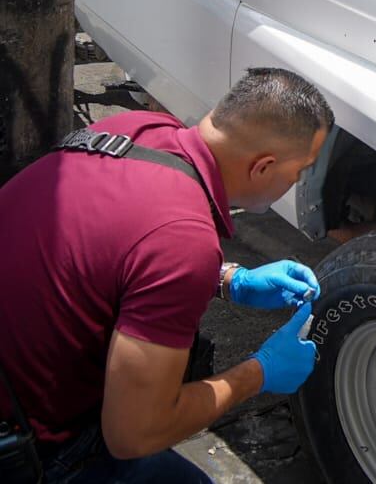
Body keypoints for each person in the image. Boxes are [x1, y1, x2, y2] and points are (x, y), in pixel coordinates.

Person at [0, 67, 334, 483]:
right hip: (27, 442)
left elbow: (114, 251)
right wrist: (260, 371)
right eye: (301, 171)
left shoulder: (138, 130)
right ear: (263, 166)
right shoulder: (182, 241)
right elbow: (134, 434)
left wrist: (228, 280)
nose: (300, 181)